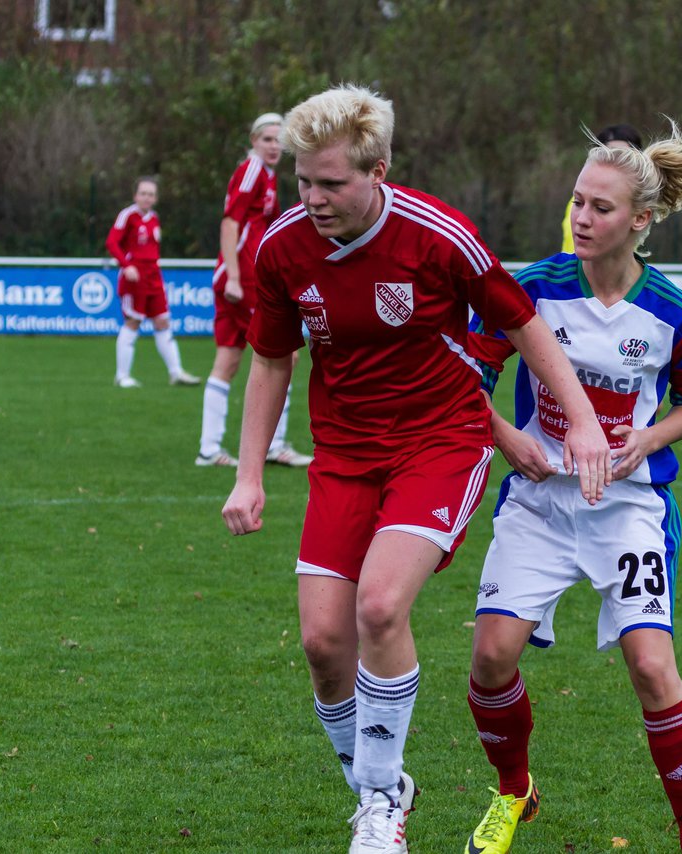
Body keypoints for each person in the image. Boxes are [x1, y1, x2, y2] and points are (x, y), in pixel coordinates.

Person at [219, 84, 612, 854]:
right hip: (344, 454)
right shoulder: (280, 246)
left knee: (378, 608)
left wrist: (587, 421)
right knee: (322, 643)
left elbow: (522, 322)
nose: (314, 198)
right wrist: (249, 472)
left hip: (441, 441)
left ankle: (378, 808)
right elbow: (270, 361)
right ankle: (384, 788)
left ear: (378, 170)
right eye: (303, 181)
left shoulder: (437, 235)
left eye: (332, 182)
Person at [463, 120, 682, 854]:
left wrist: (648, 438)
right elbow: (467, 377)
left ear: (640, 220)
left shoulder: (681, 316)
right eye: (577, 201)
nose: (582, 217)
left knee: (652, 667)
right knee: (490, 659)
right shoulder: (531, 291)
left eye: (601, 207)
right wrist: (508, 439)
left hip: (629, 509)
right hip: (539, 503)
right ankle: (514, 792)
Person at [198, 113, 313, 466]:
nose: (274, 146)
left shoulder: (264, 175)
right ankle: (274, 444)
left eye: (279, 140)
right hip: (242, 280)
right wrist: (233, 276)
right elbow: (230, 222)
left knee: (228, 361)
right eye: (267, 139)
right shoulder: (251, 171)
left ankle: (209, 449)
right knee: (286, 355)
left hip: (241, 277)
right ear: (253, 141)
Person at [106, 176, 200, 388]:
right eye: (143, 193)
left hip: (153, 277)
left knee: (162, 321)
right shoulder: (127, 216)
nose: (146, 198)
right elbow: (112, 242)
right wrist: (126, 265)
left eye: (151, 194)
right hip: (134, 278)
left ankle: (176, 372)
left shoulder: (154, 218)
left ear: (155, 198)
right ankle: (122, 376)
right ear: (135, 195)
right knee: (133, 321)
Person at [561, 123, 643, 253]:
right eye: (578, 202)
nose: (582, 220)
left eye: (602, 209)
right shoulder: (579, 206)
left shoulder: (641, 203)